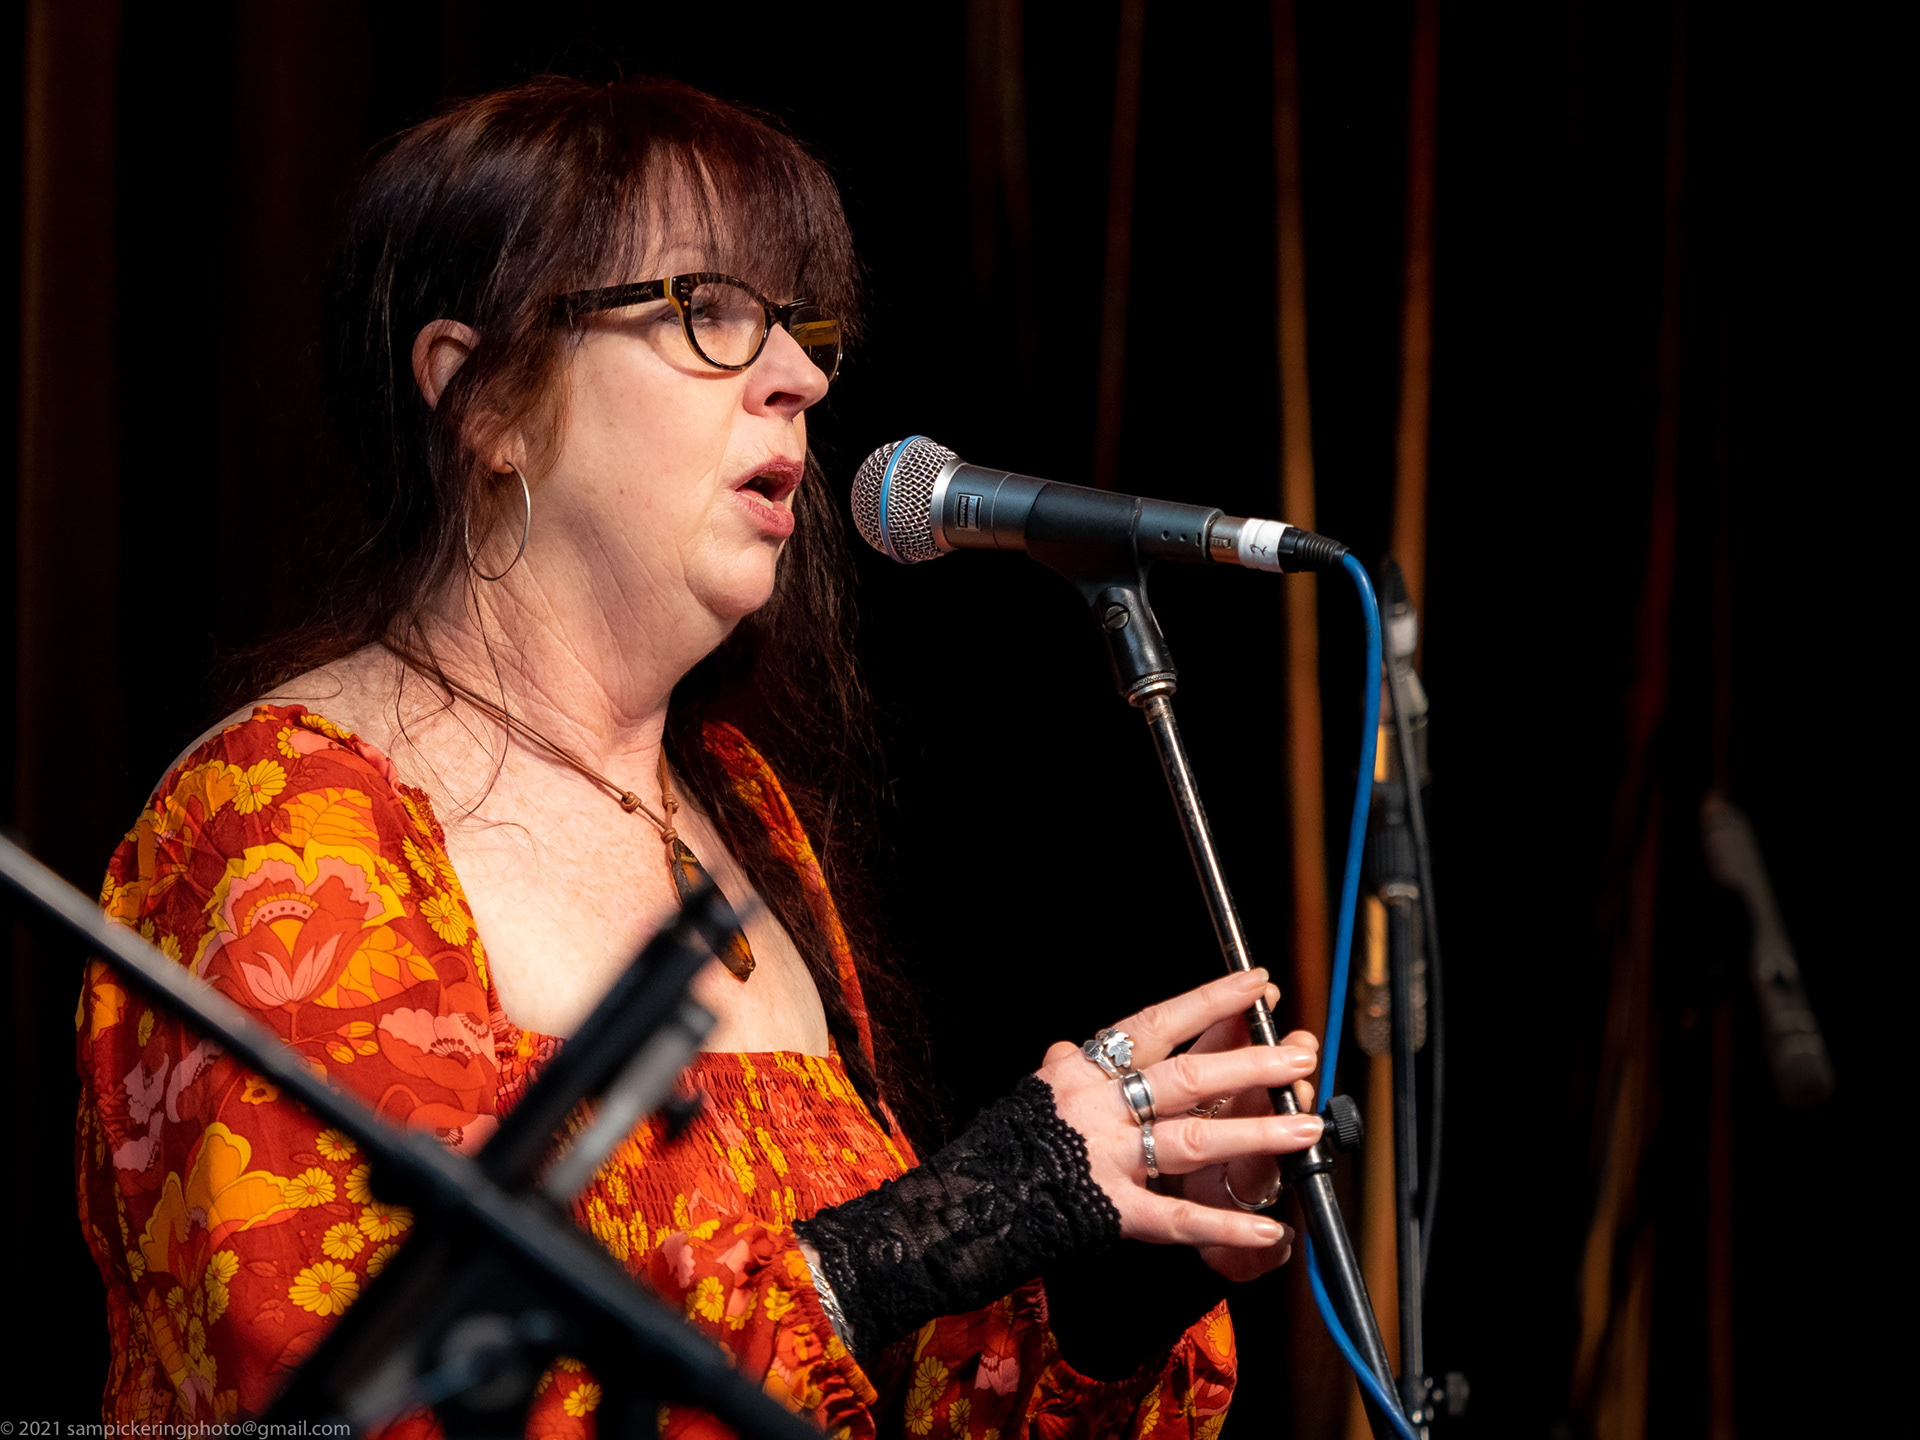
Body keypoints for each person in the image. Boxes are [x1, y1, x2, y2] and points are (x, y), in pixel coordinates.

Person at [74, 76, 1327, 1440]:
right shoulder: (288, 821)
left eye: (800, 326)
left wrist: (1110, 1267)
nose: (802, 377)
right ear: (483, 397)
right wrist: (894, 1250)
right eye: (709, 311)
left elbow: (867, 1396)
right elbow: (373, 1398)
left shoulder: (739, 809)